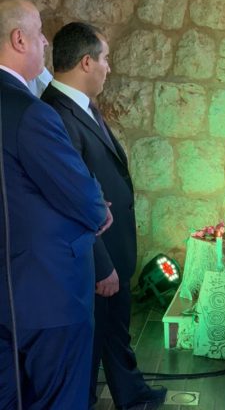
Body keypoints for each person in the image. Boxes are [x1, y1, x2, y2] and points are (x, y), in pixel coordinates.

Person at [41, 22, 167, 410]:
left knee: (114, 331)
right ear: (86, 62)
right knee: (92, 342)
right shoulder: (57, 114)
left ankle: (132, 395)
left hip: (113, 247)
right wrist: (101, 265)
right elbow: (68, 201)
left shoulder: (81, 105)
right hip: (96, 256)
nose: (108, 68)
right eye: (105, 59)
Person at [0, 0, 112, 409]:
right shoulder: (31, 112)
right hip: (47, 296)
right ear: (19, 40)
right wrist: (100, 210)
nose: (46, 42)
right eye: (39, 34)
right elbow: (80, 192)